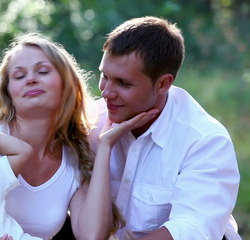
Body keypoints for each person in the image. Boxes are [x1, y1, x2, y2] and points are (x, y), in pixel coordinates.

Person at [91, 16, 241, 239]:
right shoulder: (92, 119)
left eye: (123, 83)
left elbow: (193, 228)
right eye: (105, 76)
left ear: (163, 84)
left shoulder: (205, 140)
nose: (106, 92)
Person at [0, 32, 122, 239]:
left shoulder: (77, 158)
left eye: (43, 71)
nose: (31, 79)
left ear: (66, 84)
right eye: (19, 76)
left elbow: (92, 236)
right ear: (8, 92)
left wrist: (105, 145)